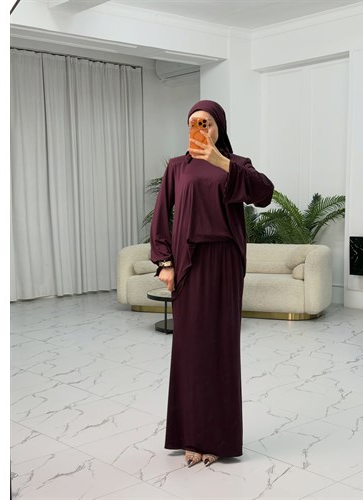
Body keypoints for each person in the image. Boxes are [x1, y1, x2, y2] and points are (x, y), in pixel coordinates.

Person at [150, 100, 274, 467]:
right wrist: (164, 263)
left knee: (220, 349)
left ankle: (217, 439)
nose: (200, 126)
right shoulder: (177, 167)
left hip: (225, 264)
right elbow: (161, 215)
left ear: (218, 125)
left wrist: (221, 162)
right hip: (188, 264)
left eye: (206, 121)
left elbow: (264, 194)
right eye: (194, 121)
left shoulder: (237, 165)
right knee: (189, 350)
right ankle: (190, 436)